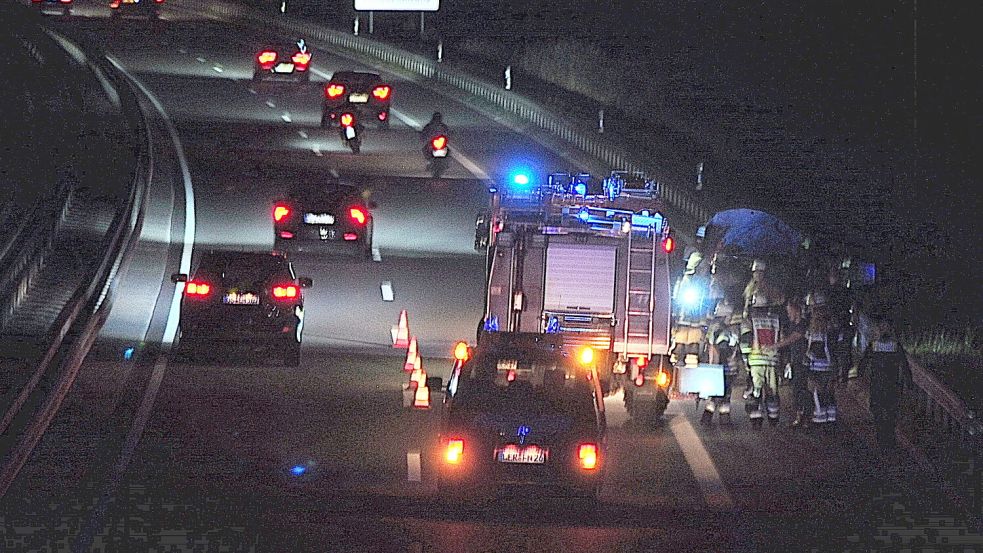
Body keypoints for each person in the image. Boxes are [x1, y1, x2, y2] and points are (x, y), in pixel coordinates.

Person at [857, 316, 911, 448]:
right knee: (890, 412)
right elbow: (904, 365)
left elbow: (863, 363)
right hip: (892, 383)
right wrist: (908, 382)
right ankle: (889, 438)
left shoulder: (874, 345)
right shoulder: (896, 346)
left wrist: (860, 375)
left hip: (878, 384)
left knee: (878, 411)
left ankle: (882, 438)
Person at [772, 299, 809, 427]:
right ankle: (800, 416)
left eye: (789, 311)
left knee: (801, 390)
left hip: (803, 362)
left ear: (796, 310)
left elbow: (792, 339)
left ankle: (803, 417)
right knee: (796, 390)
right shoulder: (792, 325)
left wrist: (774, 346)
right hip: (795, 361)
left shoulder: (803, 325)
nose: (788, 314)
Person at [804, 292, 837, 423]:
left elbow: (816, 347)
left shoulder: (817, 325)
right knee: (829, 395)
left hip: (817, 366)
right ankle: (831, 421)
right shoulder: (833, 324)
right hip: (830, 366)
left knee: (818, 394)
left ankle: (820, 421)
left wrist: (806, 359)